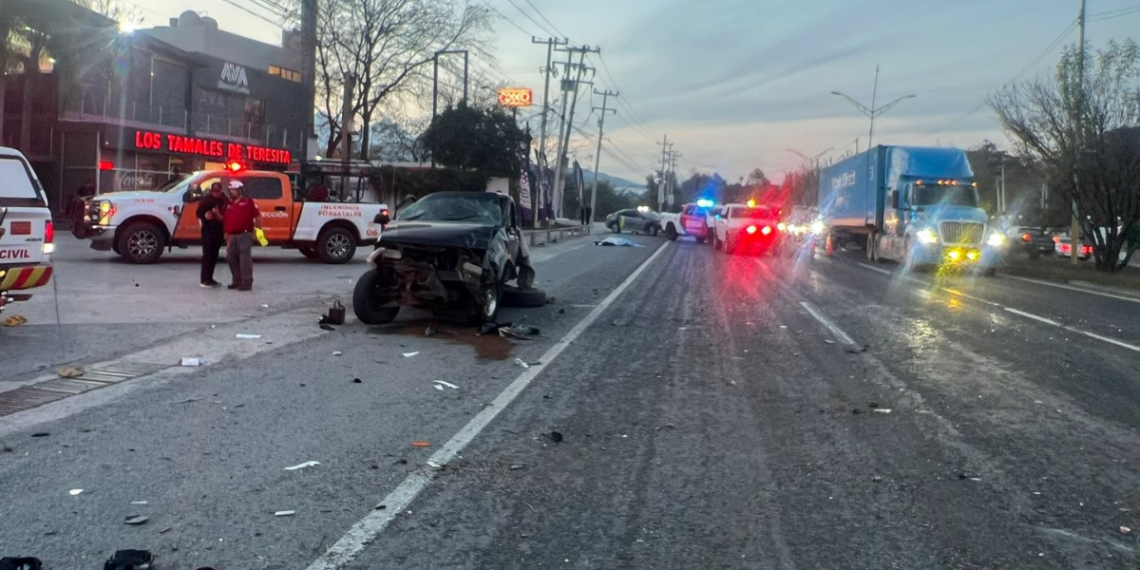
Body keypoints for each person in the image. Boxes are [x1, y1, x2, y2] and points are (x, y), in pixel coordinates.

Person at [222, 180, 262, 291]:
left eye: (234, 190)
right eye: (231, 190)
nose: (232, 192)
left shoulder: (248, 202)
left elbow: (258, 217)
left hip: (244, 234)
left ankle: (246, 283)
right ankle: (236, 281)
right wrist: (226, 233)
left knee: (244, 260)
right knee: (231, 258)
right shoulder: (228, 204)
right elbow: (226, 219)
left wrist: (258, 232)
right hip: (231, 236)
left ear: (240, 190)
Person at [197, 182, 228, 288]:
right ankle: (205, 279)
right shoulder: (206, 200)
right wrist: (205, 216)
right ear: (211, 191)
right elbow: (198, 213)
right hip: (208, 230)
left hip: (219, 230)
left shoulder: (224, 200)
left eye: (219, 191)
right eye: (215, 192)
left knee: (214, 255)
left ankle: (210, 278)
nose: (217, 194)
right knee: (207, 255)